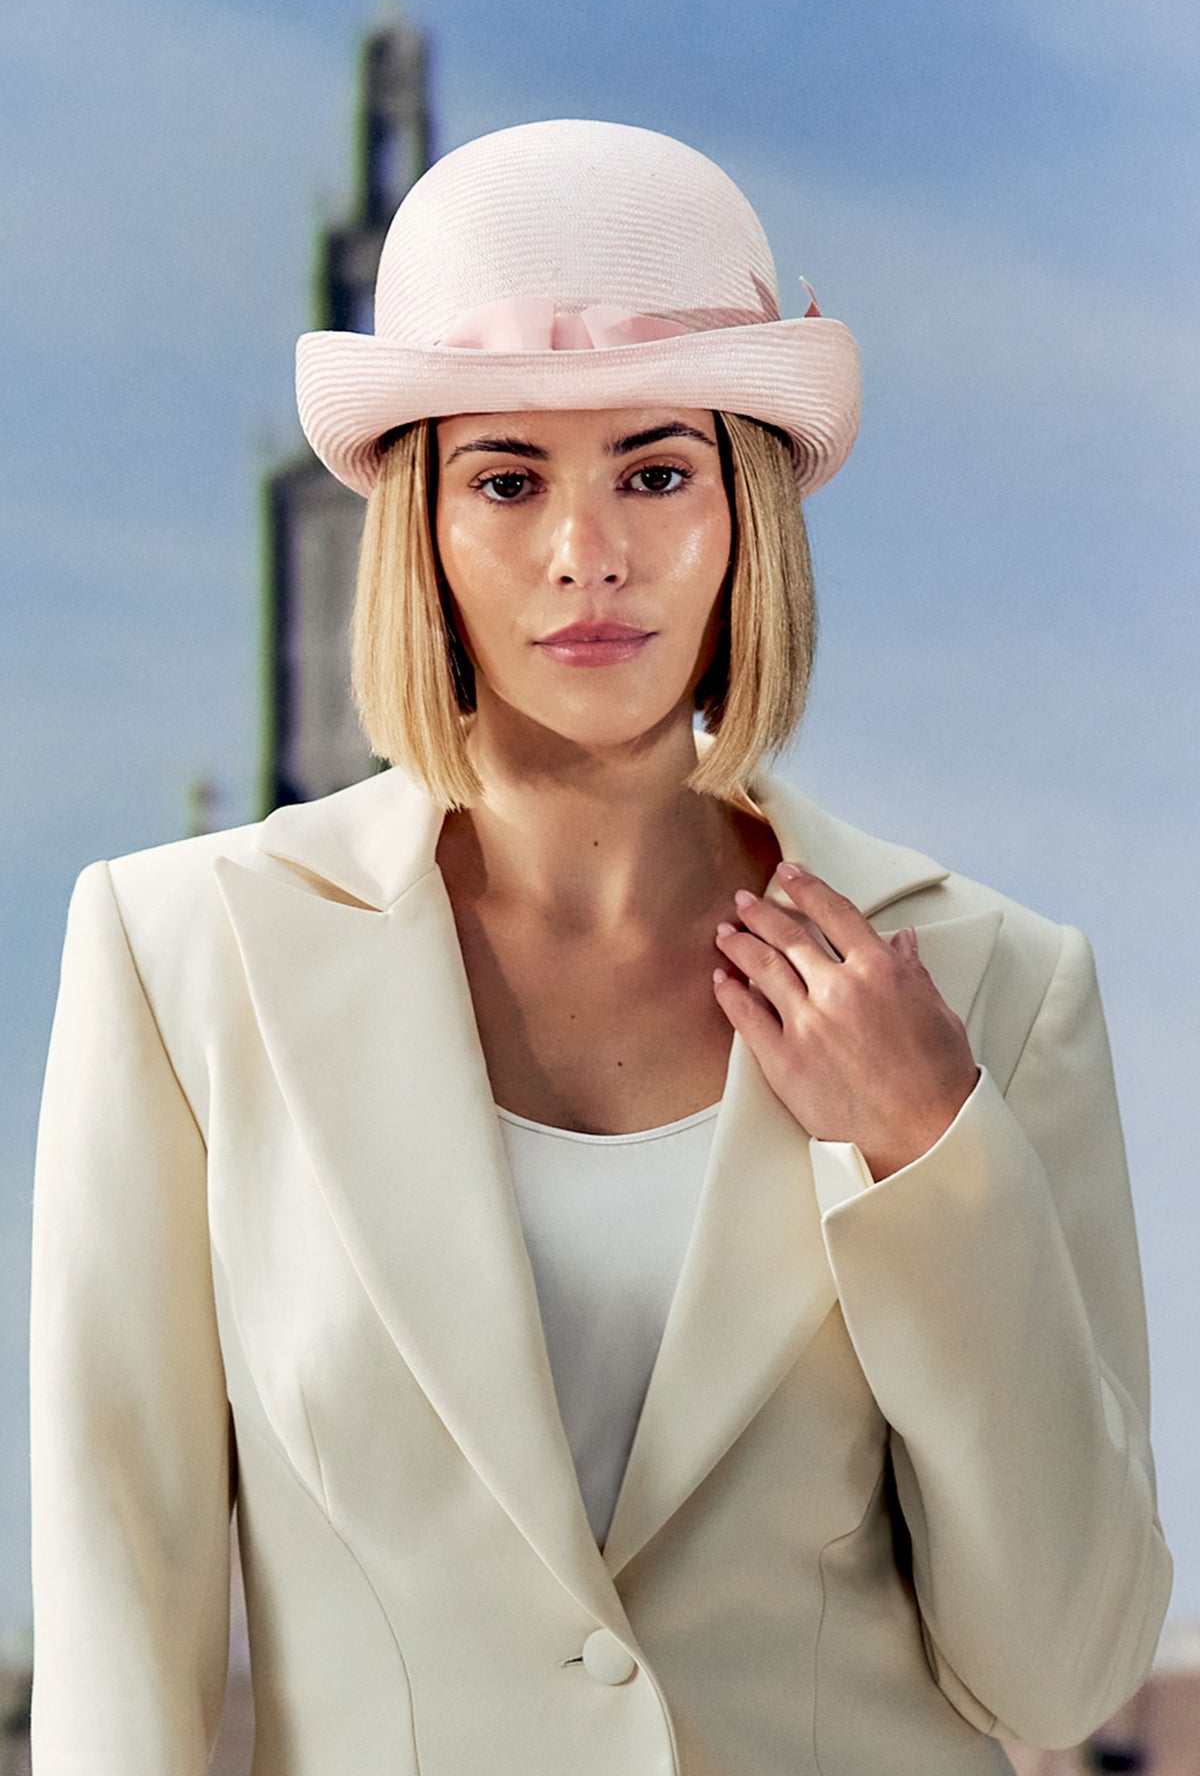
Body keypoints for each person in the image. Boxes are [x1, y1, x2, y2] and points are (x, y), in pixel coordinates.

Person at [29, 119, 1171, 1776]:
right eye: (507, 479)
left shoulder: (999, 986)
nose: (589, 553)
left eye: (655, 470)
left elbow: (1062, 1677)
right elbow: (120, 1637)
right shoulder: (184, 959)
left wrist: (936, 1150)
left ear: (746, 515)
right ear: (415, 524)